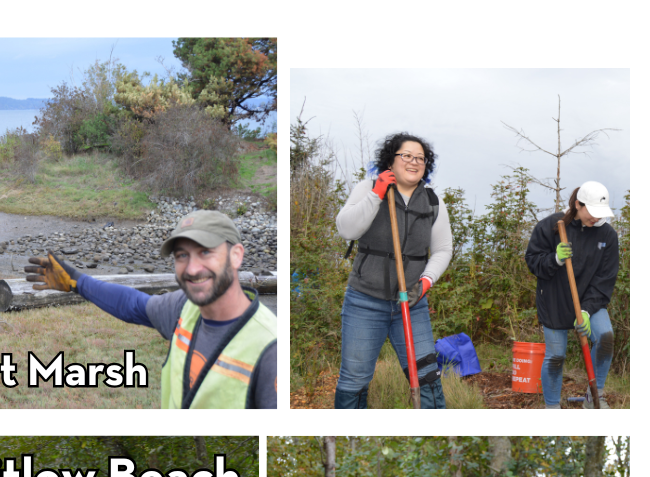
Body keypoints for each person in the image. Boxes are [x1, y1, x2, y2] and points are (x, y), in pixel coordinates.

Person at [24, 210, 277, 408]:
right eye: (182, 255)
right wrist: (77, 281)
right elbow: (132, 304)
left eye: (205, 252)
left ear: (236, 255)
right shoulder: (184, 309)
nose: (191, 268)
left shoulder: (269, 348)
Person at [334, 132, 452, 409]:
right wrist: (376, 195)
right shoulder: (368, 188)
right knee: (354, 380)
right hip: (364, 301)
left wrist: (424, 283)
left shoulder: (433, 201)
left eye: (420, 158)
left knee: (427, 376)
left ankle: (437, 440)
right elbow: (346, 229)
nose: (414, 162)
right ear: (391, 159)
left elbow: (443, 249)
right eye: (407, 156)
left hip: (412, 304)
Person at [524, 182, 620, 409]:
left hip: (590, 300)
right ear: (578, 204)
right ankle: (552, 407)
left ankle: (594, 397)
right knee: (556, 356)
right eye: (592, 212)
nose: (596, 218)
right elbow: (533, 261)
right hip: (554, 299)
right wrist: (554, 259)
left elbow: (605, 279)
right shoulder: (552, 227)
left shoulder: (608, 235)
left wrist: (586, 311)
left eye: (600, 214)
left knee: (605, 337)